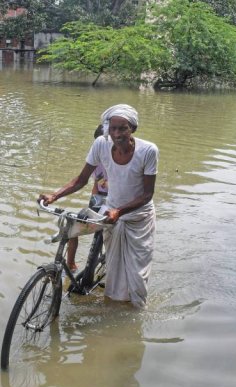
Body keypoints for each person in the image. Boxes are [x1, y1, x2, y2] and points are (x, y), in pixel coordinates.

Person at [40, 104, 157, 308]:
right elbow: (81, 180)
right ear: (107, 129)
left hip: (139, 217)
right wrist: (54, 195)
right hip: (110, 213)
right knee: (113, 270)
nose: (117, 134)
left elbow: (147, 195)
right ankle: (114, 305)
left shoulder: (148, 151)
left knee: (137, 273)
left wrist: (120, 211)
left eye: (123, 128)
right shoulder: (100, 145)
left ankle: (137, 310)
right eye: (113, 128)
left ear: (133, 129)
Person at [66, 124, 109, 272]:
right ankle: (70, 263)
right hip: (101, 197)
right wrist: (94, 204)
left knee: (114, 233)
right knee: (75, 226)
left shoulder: (122, 157)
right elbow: (96, 184)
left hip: (118, 201)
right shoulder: (95, 158)